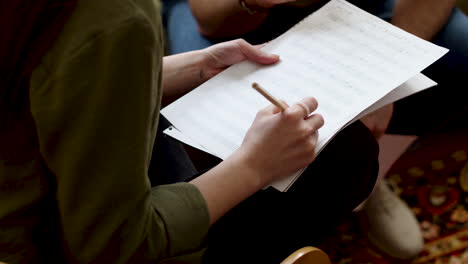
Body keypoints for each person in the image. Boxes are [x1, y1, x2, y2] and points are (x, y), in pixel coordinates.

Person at [0, 0, 379, 263]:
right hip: (36, 244)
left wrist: (187, 68)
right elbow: (111, 247)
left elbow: (46, 82)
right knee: (347, 156)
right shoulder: (112, 18)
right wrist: (253, 167)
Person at [161, 0, 468, 259]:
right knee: (216, 122)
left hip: (368, 5)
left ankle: (375, 173)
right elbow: (210, 19)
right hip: (232, 14)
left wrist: (391, 71)